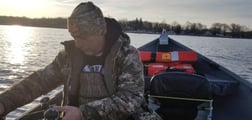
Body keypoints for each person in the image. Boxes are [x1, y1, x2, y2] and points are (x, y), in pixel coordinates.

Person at [0, 2, 145, 120]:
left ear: (100, 32)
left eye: (83, 38)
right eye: (75, 37)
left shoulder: (127, 55)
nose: (77, 44)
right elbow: (40, 81)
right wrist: (4, 102)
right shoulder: (69, 56)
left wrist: (83, 113)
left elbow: (130, 100)